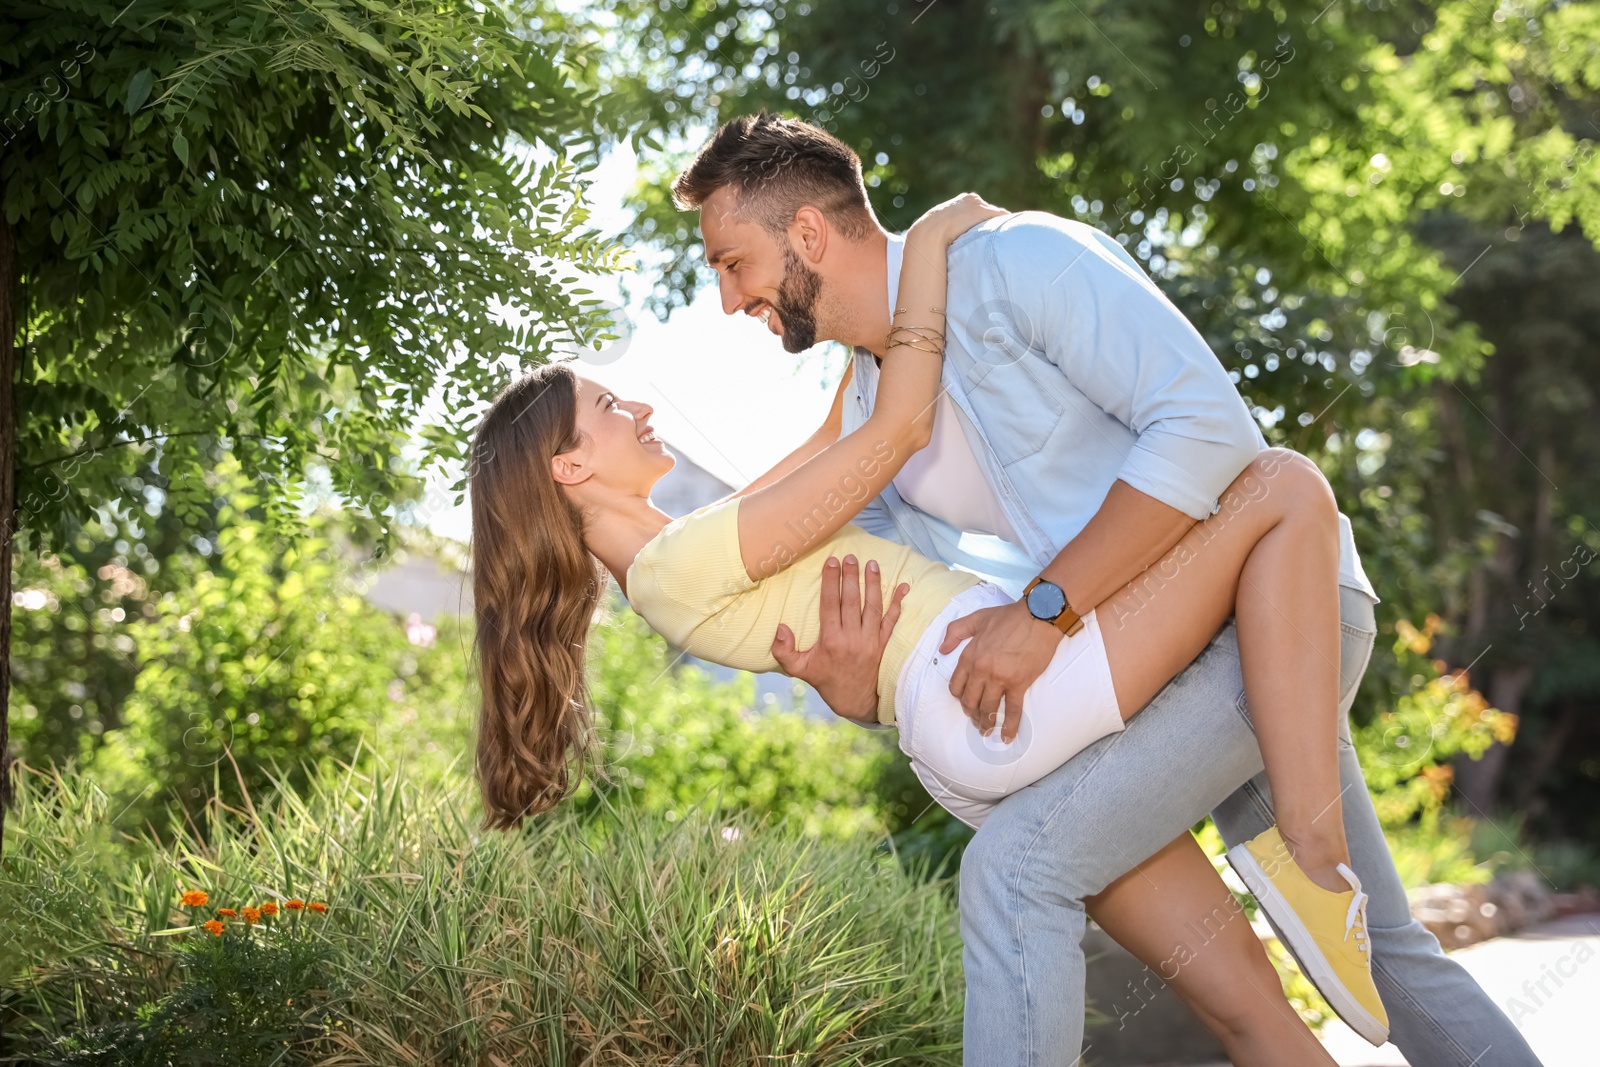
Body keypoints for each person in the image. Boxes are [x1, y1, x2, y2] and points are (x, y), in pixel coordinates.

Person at [667, 112, 1542, 1066]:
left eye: (731, 262)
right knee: (1392, 964)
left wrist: (1050, 605)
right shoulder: (879, 410)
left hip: (1271, 601)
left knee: (1018, 874)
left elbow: (1208, 429)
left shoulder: (1017, 262)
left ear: (805, 235)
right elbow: (908, 612)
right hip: (1154, 676)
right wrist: (851, 684)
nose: (727, 298)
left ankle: (1307, 840)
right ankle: (1318, 862)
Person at [470, 193, 1388, 1066]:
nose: (638, 409)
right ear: (568, 467)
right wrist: (940, 238)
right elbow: (898, 424)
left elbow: (847, 420)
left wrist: (875, 289)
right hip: (1001, 688)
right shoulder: (678, 566)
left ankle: (1305, 880)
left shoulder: (692, 549)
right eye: (607, 408)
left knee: (1247, 1008)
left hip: (971, 712)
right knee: (1282, 487)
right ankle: (1313, 852)